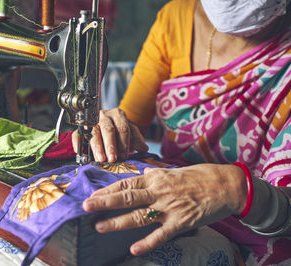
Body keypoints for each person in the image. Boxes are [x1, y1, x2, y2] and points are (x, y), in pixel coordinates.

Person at [72, 0, 291, 264]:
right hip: (170, 194)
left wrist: (235, 188)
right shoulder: (176, 19)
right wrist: (111, 126)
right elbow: (132, 124)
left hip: (262, 221)